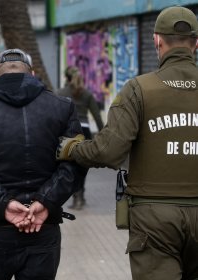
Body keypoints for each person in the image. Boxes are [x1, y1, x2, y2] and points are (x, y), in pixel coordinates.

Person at [56, 6, 198, 280]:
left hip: (155, 220)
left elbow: (109, 151)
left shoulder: (139, 89)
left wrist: (72, 148)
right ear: (196, 43)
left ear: (157, 40)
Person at [0, 48, 86, 280]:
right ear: (32, 74)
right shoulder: (62, 107)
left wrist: (2, 203)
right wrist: (45, 202)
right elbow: (76, 161)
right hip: (43, 227)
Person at [57, 66, 104, 209]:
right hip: (85, 132)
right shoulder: (87, 94)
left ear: (66, 78)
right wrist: (103, 136)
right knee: (82, 166)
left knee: (69, 165)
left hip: (68, 133)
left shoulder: (61, 93)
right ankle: (80, 196)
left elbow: (56, 115)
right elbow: (97, 116)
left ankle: (75, 196)